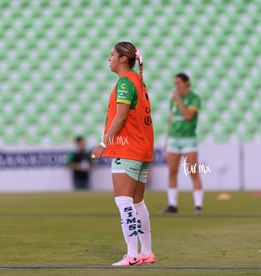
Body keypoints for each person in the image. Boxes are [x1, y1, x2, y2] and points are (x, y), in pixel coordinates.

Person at [91, 42, 155, 266]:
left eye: (112, 55)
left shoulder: (125, 83)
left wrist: (102, 143)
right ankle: (146, 252)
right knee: (138, 203)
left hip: (127, 149)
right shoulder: (138, 80)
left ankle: (132, 255)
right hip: (142, 148)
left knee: (124, 201)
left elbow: (120, 117)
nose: (109, 58)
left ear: (123, 59)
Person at [163, 73, 204, 215]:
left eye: (179, 83)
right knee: (172, 172)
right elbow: (171, 119)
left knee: (193, 171)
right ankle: (172, 205)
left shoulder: (194, 98)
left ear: (187, 83)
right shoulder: (173, 100)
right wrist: (167, 139)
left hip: (188, 139)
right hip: (174, 139)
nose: (177, 86)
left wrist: (178, 100)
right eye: (175, 83)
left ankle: (198, 205)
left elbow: (188, 116)